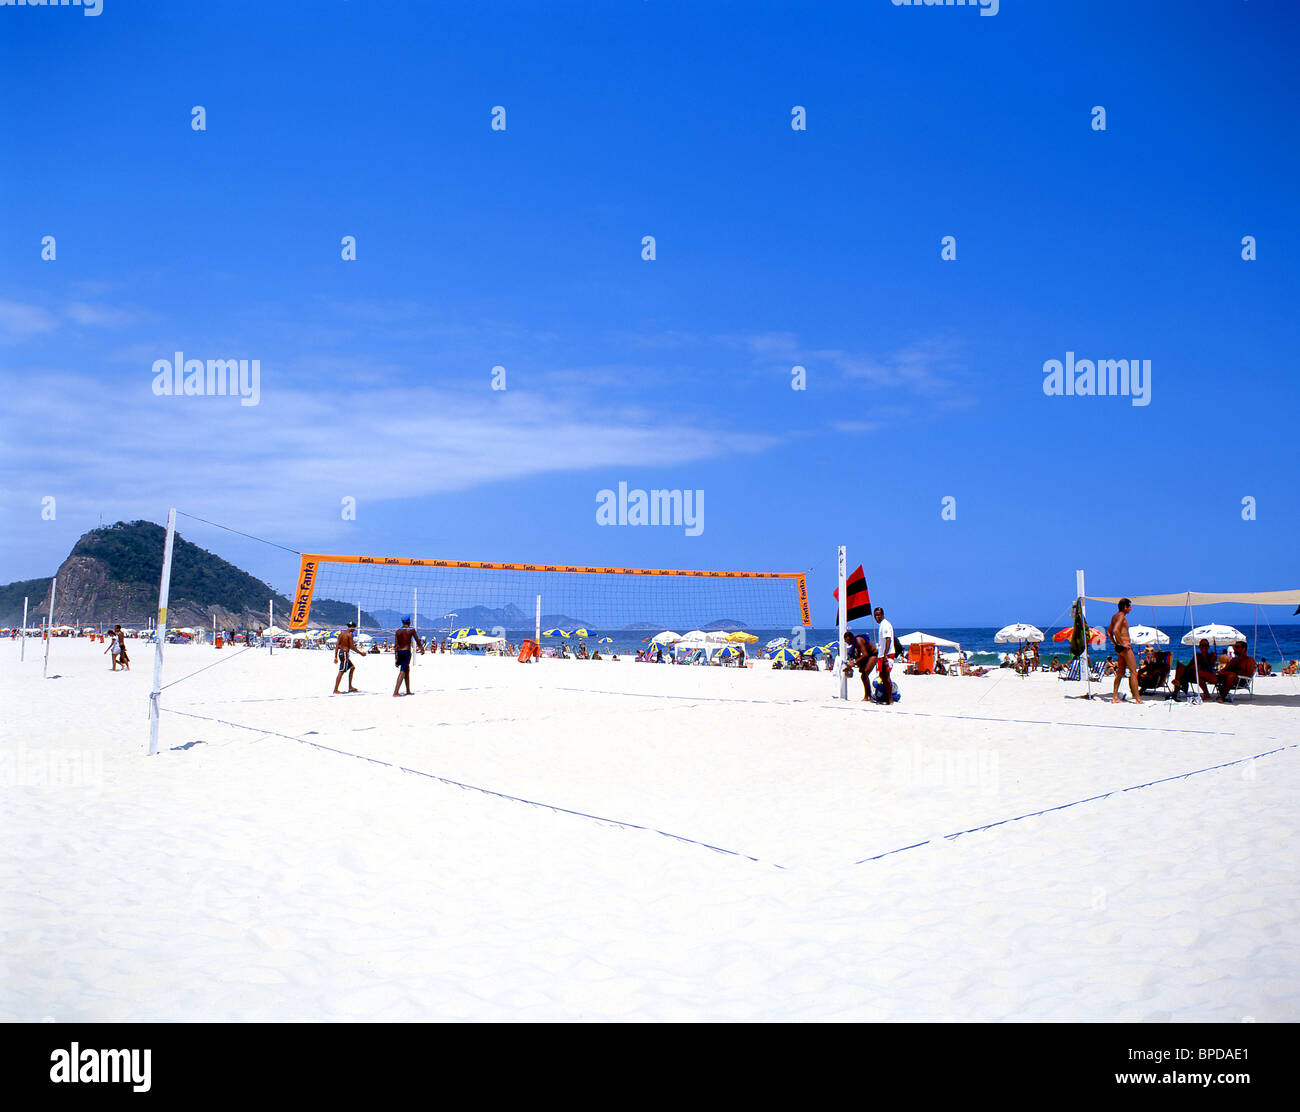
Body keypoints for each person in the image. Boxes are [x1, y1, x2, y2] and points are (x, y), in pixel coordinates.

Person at [1106, 599, 1142, 703]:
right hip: (1125, 648)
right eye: (1130, 606)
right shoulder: (1121, 616)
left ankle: (1114, 697)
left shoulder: (1114, 616)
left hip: (1119, 648)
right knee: (1133, 672)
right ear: (1125, 607)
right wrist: (1123, 644)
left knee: (1120, 673)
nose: (1131, 609)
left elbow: (1109, 633)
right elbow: (1116, 630)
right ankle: (1138, 699)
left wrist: (1116, 644)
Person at [392, 617, 426, 697]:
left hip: (399, 652)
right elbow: (417, 640)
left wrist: (396, 658)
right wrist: (422, 649)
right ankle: (395, 692)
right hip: (406, 652)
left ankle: (408, 690)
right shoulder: (411, 630)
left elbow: (396, 646)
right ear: (409, 621)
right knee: (403, 671)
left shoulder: (398, 631)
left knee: (407, 670)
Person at [843, 629, 878, 701]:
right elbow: (856, 654)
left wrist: (854, 663)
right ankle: (868, 695)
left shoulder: (858, 640)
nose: (848, 643)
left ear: (850, 638)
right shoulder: (854, 641)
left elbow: (865, 654)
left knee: (864, 674)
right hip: (868, 655)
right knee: (863, 675)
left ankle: (868, 696)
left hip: (873, 655)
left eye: (848, 641)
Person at [873, 607, 896, 705]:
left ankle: (890, 700)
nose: (877, 617)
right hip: (882, 654)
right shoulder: (881, 625)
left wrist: (885, 655)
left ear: (882, 615)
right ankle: (886, 697)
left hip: (886, 654)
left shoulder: (885, 625)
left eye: (879, 615)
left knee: (886, 677)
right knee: (882, 675)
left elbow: (888, 640)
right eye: (875, 615)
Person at [333, 622, 363, 693]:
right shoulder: (349, 635)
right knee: (342, 671)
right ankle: (335, 689)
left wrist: (336, 656)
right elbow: (352, 646)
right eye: (354, 628)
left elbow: (337, 646)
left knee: (352, 667)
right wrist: (361, 653)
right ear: (352, 627)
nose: (355, 629)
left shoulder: (341, 634)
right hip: (345, 653)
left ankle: (350, 687)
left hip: (341, 653)